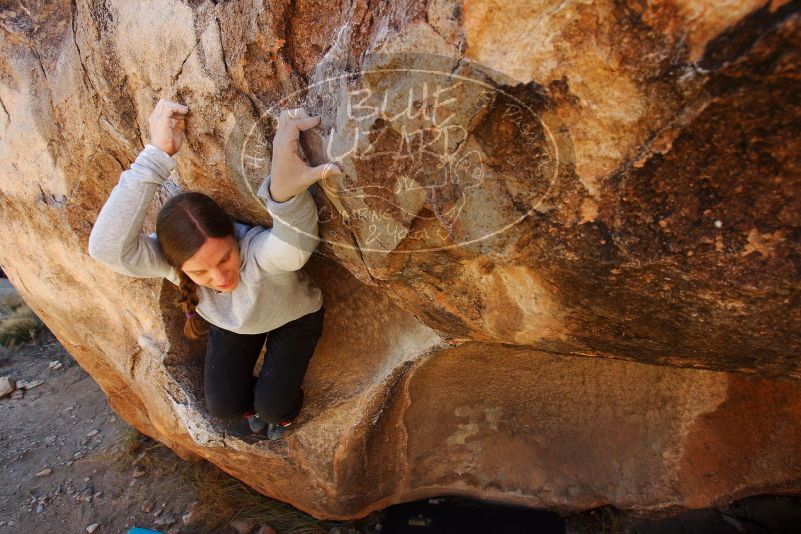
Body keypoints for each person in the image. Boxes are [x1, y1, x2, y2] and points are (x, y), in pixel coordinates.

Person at [88, 99, 342, 440]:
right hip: (233, 324)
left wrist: (284, 191)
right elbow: (105, 249)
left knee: (275, 406)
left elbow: (291, 250)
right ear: (179, 265)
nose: (221, 279)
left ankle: (277, 415)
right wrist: (154, 157)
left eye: (224, 258)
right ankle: (259, 407)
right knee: (224, 406)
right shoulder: (171, 263)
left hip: (293, 318)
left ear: (233, 237)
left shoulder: (254, 252)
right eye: (200, 273)